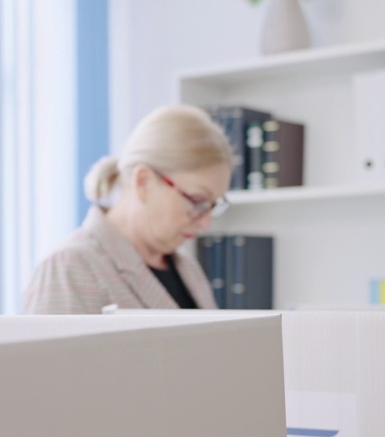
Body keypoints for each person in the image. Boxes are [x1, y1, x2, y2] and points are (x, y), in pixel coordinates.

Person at [23, 104, 233, 314]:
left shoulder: (189, 268)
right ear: (143, 182)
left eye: (212, 205)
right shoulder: (69, 268)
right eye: (197, 201)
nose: (206, 223)